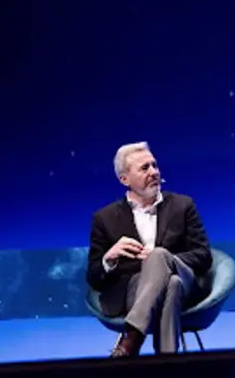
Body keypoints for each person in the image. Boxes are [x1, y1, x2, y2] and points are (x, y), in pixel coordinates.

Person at [87, 142, 212, 357]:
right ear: (124, 179)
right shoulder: (104, 218)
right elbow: (94, 278)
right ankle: (166, 364)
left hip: (185, 277)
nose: (153, 172)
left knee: (159, 255)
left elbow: (203, 255)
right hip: (135, 290)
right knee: (172, 284)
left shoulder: (183, 205)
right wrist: (109, 258)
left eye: (154, 165)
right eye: (144, 168)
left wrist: (162, 259)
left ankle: (133, 337)